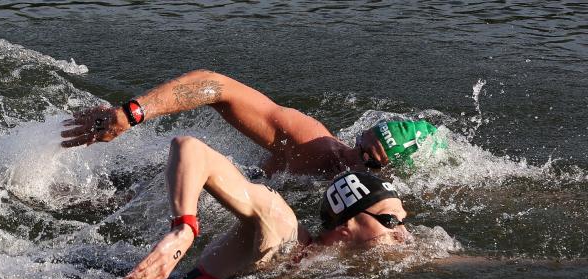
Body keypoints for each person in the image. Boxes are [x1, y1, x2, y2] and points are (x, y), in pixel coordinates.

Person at [122, 135, 411, 279]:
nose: (403, 233)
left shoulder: (331, 265)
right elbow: (190, 148)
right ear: (347, 226)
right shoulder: (283, 229)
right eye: (389, 221)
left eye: (403, 221)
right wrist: (183, 228)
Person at [61, 70, 439, 176]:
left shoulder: (382, 212)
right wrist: (131, 114)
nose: (351, 159)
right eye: (358, 145)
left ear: (395, 173)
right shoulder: (314, 147)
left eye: (369, 160)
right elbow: (218, 86)